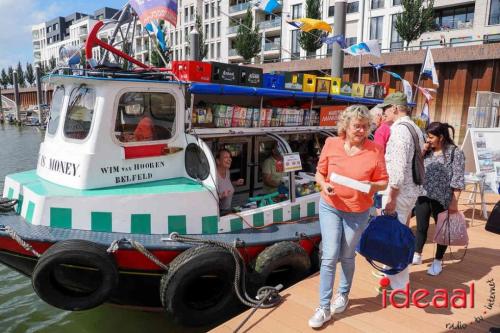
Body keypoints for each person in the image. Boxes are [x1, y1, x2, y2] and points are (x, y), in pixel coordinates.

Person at [309, 105, 388, 328]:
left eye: (365, 126)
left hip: (358, 211)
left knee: (347, 254)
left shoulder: (375, 149)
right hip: (330, 206)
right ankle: (323, 308)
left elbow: (384, 181)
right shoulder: (331, 144)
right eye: (357, 126)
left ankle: (343, 294)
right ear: (346, 125)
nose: (361, 130)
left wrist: (371, 185)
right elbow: (319, 173)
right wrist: (324, 185)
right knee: (330, 254)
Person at [378, 92, 425, 291]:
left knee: (394, 239)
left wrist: (391, 197)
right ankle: (392, 275)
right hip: (411, 190)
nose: (383, 112)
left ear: (395, 108)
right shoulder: (414, 127)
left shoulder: (398, 131)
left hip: (398, 193)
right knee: (397, 235)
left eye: (386, 108)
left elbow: (397, 170)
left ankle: (398, 285)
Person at [413, 122, 465, 275]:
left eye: (430, 137)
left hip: (443, 198)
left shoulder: (455, 153)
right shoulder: (427, 151)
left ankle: (437, 261)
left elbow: (458, 179)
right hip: (423, 194)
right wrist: (422, 150)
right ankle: (417, 254)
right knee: (421, 227)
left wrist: (454, 202)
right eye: (426, 137)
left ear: (441, 137)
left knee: (442, 230)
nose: (427, 140)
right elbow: (416, 167)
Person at [215, 149, 244, 214]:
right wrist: (220, 196)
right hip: (217, 213)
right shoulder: (213, 175)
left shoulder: (227, 171)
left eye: (230, 157)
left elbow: (225, 184)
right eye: (225, 157)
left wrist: (235, 183)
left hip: (227, 210)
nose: (230, 159)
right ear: (218, 161)